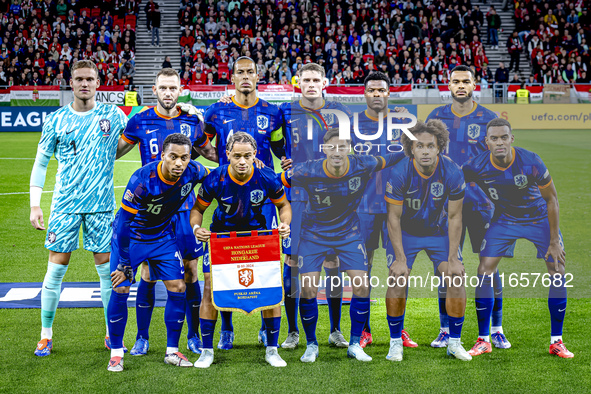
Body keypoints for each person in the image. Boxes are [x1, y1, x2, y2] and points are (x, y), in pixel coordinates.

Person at [29, 60, 129, 356]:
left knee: (106, 273)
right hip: (64, 205)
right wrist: (35, 204)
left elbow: (127, 141)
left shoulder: (113, 114)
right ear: (70, 83)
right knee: (55, 271)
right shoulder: (57, 119)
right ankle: (46, 334)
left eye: (90, 79)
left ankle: (112, 333)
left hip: (100, 205)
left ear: (98, 83)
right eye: (79, 79)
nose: (85, 84)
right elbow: (41, 162)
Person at [116, 68, 218, 356]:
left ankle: (194, 336)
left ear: (180, 89)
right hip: (151, 212)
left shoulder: (191, 121)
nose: (169, 93)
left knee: (189, 270)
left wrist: (210, 124)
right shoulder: (139, 119)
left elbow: (210, 154)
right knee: (147, 272)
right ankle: (142, 337)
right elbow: (115, 151)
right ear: (154, 89)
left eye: (173, 88)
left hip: (184, 210)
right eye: (163, 88)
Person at [282, 128, 405, 363]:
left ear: (349, 148)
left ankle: (355, 343)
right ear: (324, 149)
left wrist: (411, 143)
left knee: (362, 285)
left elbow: (390, 158)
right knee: (307, 288)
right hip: (313, 235)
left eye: (342, 147)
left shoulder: (364, 164)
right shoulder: (306, 170)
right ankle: (311, 345)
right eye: (332, 147)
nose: (337, 151)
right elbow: (277, 183)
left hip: (349, 234)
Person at [463, 118, 572, 359]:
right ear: (486, 142)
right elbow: (452, 182)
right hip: (504, 220)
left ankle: (557, 341)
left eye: (504, 137)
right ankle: (484, 339)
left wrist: (554, 241)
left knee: (557, 269)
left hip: (539, 218)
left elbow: (552, 200)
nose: (499, 142)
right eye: (494, 138)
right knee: (484, 270)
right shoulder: (476, 165)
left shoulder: (531, 161)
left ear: (512, 138)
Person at [106, 133, 210, 372]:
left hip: (162, 237)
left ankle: (172, 351)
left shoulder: (193, 170)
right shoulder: (142, 180)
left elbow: (217, 175)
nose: (178, 163)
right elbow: (122, 224)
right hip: (132, 237)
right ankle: (116, 353)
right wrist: (124, 263)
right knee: (120, 286)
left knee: (179, 286)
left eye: (184, 158)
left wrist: (247, 166)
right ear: (162, 156)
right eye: (173, 157)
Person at [426, 65, 511, 349]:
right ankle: (445, 329)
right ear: (447, 85)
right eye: (455, 81)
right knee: (446, 268)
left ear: (475, 84)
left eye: (465, 81)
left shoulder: (489, 119)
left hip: (482, 205)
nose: (460, 86)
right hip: (445, 206)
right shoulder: (435, 117)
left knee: (488, 268)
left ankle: (495, 329)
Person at [203, 56, 286, 349]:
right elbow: (203, 142)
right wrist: (222, 163)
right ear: (233, 77)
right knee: (226, 265)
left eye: (251, 72)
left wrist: (283, 162)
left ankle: (267, 329)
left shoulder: (273, 112)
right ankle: (226, 328)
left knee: (263, 266)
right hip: (230, 195)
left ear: (258, 75)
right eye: (241, 72)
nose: (246, 76)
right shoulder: (216, 110)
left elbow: (279, 146)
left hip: (263, 198)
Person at [191, 132, 292, 368]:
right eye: (237, 155)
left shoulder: (266, 176)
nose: (242, 161)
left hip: (258, 239)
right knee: (210, 287)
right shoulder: (215, 178)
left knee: (270, 288)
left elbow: (283, 205)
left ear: (255, 154)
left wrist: (285, 222)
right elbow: (197, 209)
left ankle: (272, 349)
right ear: (227, 155)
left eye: (247, 155)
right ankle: (207, 351)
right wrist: (197, 228)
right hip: (222, 239)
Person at [278, 62, 353, 350]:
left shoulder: (339, 112)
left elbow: (349, 148)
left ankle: (335, 330)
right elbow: (272, 140)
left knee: (332, 263)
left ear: (325, 82)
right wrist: (285, 157)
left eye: (315, 79)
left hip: (332, 199)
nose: (311, 84)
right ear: (298, 82)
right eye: (306, 79)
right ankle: (293, 331)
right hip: (296, 197)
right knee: (293, 264)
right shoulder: (285, 111)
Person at [384, 119, 471, 362]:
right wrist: (400, 259)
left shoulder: (452, 172)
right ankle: (394, 343)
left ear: (439, 147)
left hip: (438, 231)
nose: (424, 150)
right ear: (411, 148)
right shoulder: (400, 172)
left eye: (430, 146)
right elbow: (393, 218)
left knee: (455, 276)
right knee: (398, 276)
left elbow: (455, 217)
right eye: (419, 146)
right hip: (405, 232)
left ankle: (454, 342)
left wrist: (453, 259)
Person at [350, 71, 417, 349]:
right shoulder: (352, 125)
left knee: (399, 269)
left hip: (396, 208)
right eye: (372, 90)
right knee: (361, 270)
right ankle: (363, 331)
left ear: (389, 93)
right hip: (362, 207)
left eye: (381, 90)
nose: (377, 94)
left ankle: (397, 329)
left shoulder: (404, 124)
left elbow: (424, 146)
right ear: (364, 94)